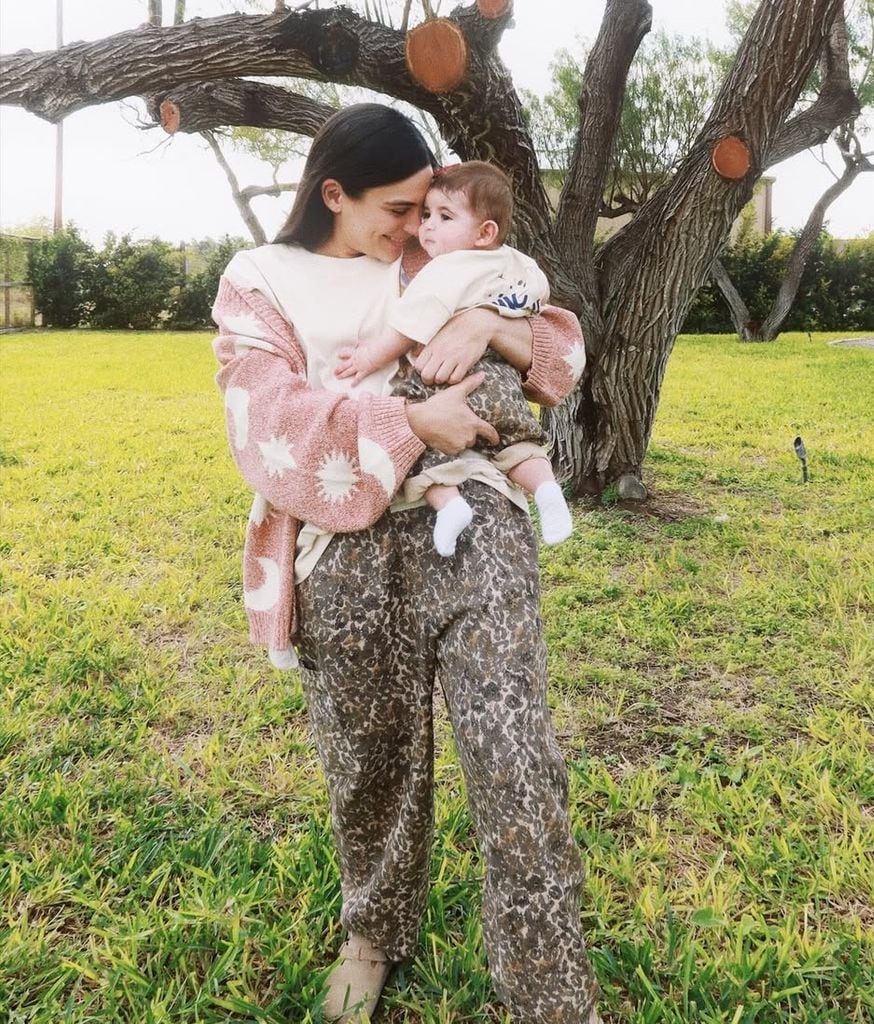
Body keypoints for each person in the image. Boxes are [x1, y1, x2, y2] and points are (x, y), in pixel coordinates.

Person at [211, 104, 602, 1024]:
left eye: (426, 206)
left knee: (515, 751)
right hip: (342, 535)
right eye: (397, 207)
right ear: (334, 194)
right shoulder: (258, 280)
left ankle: (550, 991)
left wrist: (490, 328)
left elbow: (560, 355)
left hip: (479, 512)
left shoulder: (440, 254)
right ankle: (373, 934)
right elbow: (260, 418)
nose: (413, 223)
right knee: (371, 758)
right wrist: (403, 420)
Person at [334, 160, 573, 557]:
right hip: (501, 377)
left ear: (485, 232)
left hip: (444, 378)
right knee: (519, 440)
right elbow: (538, 296)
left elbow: (407, 329)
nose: (426, 225)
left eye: (444, 217)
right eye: (426, 213)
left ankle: (450, 506)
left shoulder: (443, 270)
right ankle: (547, 492)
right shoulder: (517, 262)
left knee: (413, 439)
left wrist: (366, 358)